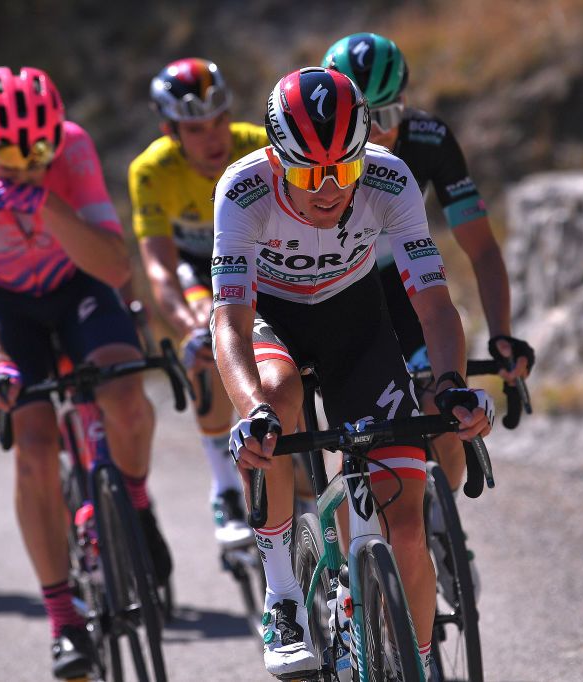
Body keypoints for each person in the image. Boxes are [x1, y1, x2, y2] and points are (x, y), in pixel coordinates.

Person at [211, 67, 493, 679]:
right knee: (279, 399)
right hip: (274, 321)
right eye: (309, 173)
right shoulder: (242, 190)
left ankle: (416, 667)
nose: (329, 188)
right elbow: (228, 323)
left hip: (357, 326)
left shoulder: (388, 178)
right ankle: (283, 596)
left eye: (343, 169)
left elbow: (434, 305)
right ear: (275, 156)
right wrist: (251, 409)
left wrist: (449, 385)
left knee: (409, 531)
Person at [0, 66, 167, 679]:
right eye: (7, 152)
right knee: (32, 448)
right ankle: (63, 618)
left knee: (125, 393)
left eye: (40, 149)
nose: (25, 162)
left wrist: (47, 204)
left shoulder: (75, 147)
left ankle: (133, 507)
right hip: (9, 309)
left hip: (78, 283)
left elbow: (115, 268)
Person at [321, 32, 533, 491]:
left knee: (442, 402)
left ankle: (445, 530)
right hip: (337, 288)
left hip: (397, 281)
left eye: (388, 115)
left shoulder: (429, 139)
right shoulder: (316, 154)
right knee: (353, 435)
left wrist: (500, 334)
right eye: (363, 118)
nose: (376, 132)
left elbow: (481, 248)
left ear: (406, 102)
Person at [129, 58, 269, 548]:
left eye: (218, 121)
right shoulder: (151, 171)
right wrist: (188, 327)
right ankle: (225, 488)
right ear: (171, 131)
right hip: (199, 269)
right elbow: (161, 269)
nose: (214, 139)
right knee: (207, 340)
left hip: (263, 257)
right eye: (195, 129)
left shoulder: (261, 144)